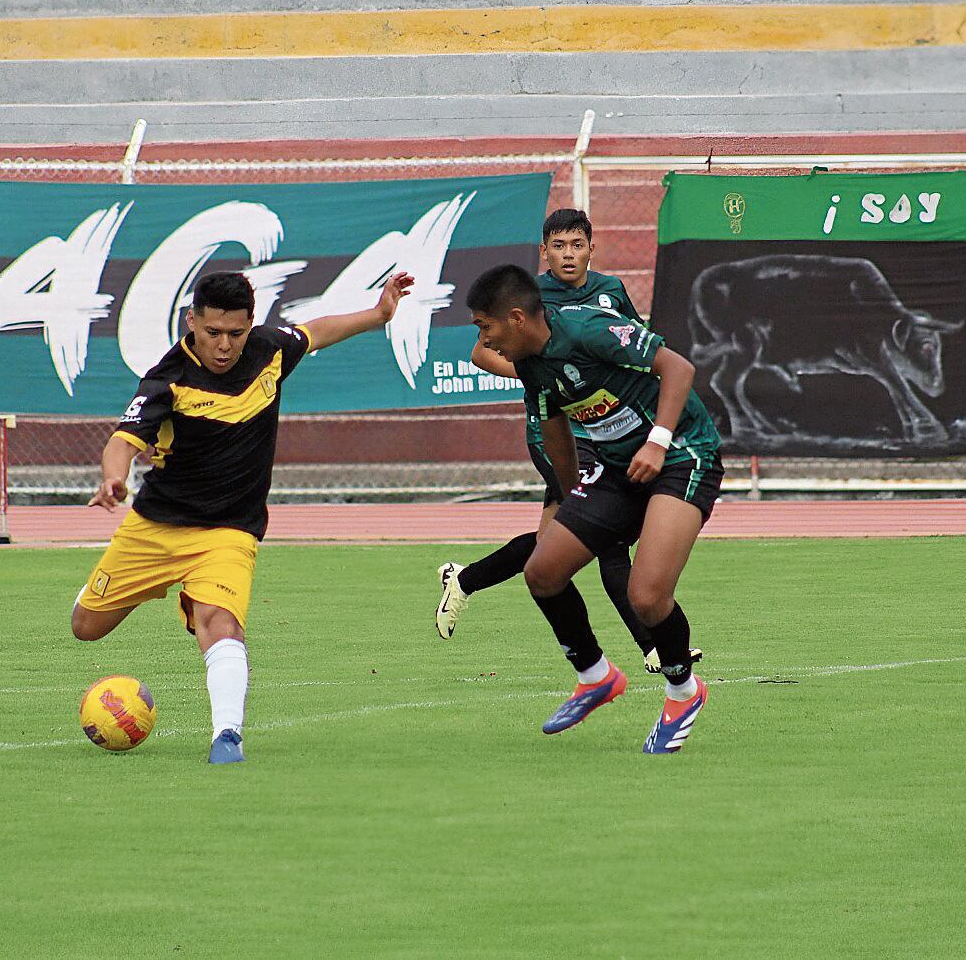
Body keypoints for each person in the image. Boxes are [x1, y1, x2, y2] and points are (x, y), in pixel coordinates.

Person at [72, 269, 412, 763]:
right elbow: (123, 440)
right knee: (86, 627)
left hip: (230, 531)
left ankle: (226, 736)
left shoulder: (269, 350)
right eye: (213, 333)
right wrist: (113, 479)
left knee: (221, 624)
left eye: (237, 333)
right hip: (156, 529)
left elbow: (319, 330)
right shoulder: (168, 378)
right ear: (191, 321)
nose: (226, 345)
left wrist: (379, 314)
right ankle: (147, 584)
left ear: (252, 324)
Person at [466, 263, 723, 754]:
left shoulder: (588, 328)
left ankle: (683, 692)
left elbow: (679, 369)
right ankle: (596, 676)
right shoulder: (532, 366)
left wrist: (658, 441)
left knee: (646, 596)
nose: (484, 342)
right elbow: (557, 430)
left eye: (485, 327)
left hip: (681, 452)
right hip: (613, 467)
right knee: (543, 569)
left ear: (516, 319)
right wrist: (571, 501)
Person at [436, 208, 698, 673]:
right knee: (606, 539)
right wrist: (539, 379)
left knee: (555, 542)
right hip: (555, 429)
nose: (569, 255)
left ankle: (466, 579)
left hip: (608, 429)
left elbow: (637, 350)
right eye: (559, 246)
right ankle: (652, 647)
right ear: (545, 252)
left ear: (591, 249)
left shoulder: (610, 291)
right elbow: (482, 352)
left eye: (577, 245)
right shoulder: (530, 298)